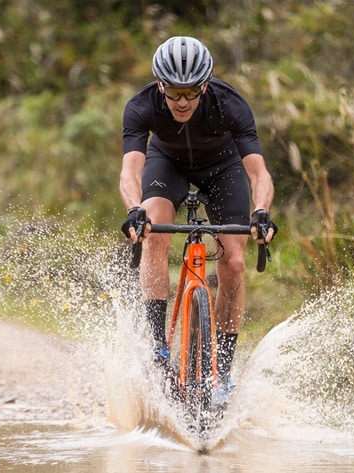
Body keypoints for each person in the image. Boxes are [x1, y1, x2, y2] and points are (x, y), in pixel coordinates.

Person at [119, 36, 277, 404]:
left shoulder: (230, 104)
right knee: (154, 232)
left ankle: (222, 370)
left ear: (205, 85)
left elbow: (259, 173)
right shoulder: (141, 106)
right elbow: (130, 170)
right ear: (161, 85)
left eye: (191, 92)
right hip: (167, 163)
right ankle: (159, 348)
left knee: (234, 262)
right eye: (174, 93)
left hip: (222, 167)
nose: (183, 102)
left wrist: (262, 212)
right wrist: (133, 210)